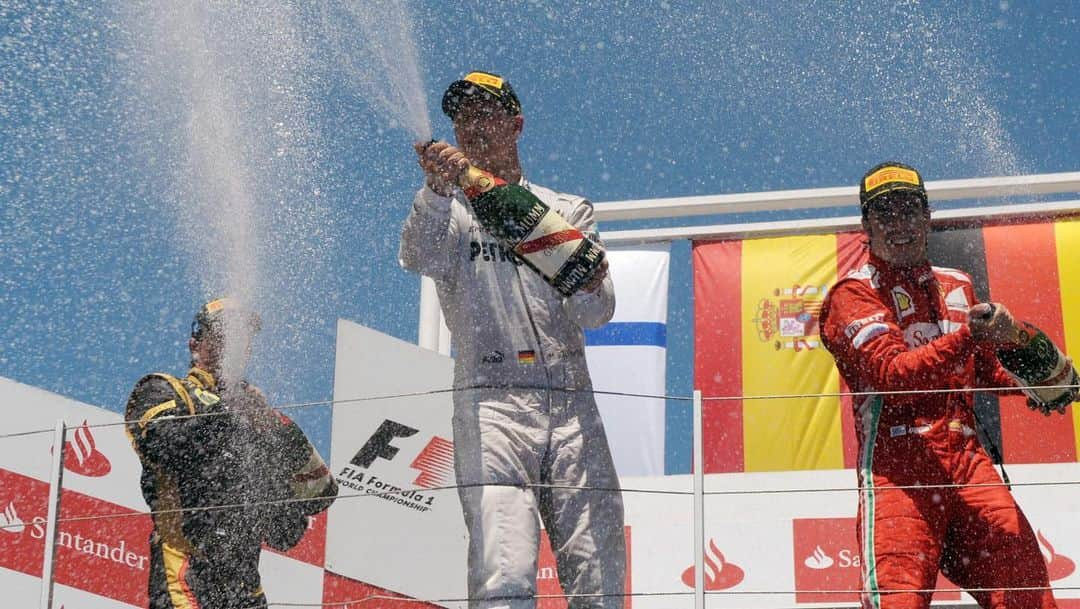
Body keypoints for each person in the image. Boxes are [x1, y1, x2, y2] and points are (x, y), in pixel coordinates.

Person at [399, 70, 625, 609]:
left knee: (599, 572)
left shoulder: (566, 209)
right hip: (491, 401)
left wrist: (590, 279)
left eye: (486, 113)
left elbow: (598, 310)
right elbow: (417, 256)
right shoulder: (449, 211)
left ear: (516, 124)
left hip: (572, 402)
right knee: (504, 570)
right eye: (461, 117)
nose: (471, 126)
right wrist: (434, 188)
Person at [819, 162, 1061, 609]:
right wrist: (970, 335)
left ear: (928, 217)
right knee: (899, 602)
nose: (900, 226)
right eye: (885, 215)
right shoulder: (850, 295)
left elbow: (984, 371)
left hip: (969, 462)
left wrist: (1039, 379)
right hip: (899, 471)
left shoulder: (958, 284)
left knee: (1028, 595)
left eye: (910, 212)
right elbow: (893, 377)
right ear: (866, 226)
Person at [124, 298, 337, 609]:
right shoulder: (164, 389)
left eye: (239, 339)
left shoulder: (257, 421)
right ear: (195, 344)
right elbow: (163, 444)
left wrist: (275, 428)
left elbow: (305, 511)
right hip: (187, 575)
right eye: (220, 335)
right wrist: (228, 412)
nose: (230, 345)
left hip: (246, 592)